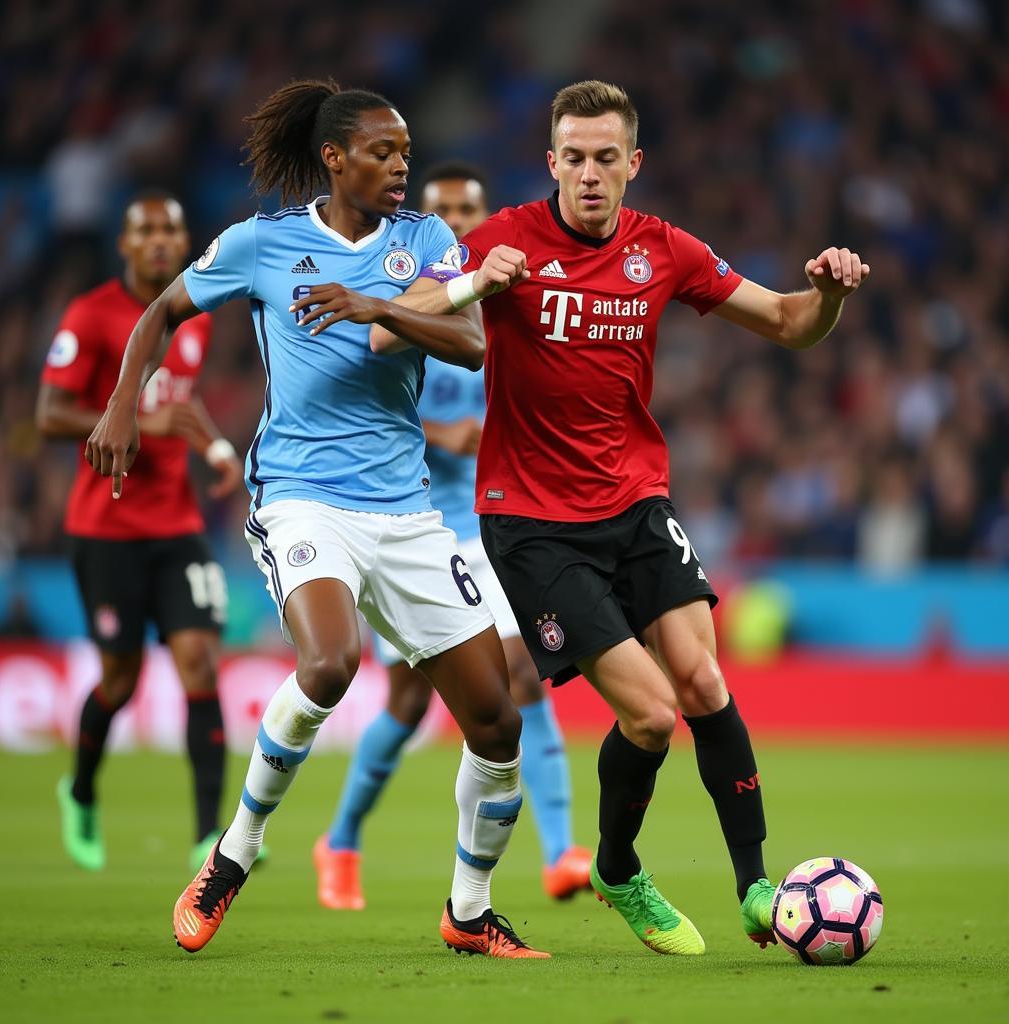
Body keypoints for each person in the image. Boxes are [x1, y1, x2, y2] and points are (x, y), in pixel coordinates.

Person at [373, 80, 870, 956]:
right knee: (651, 717)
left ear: (633, 164)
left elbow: (791, 323)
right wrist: (471, 284)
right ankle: (617, 867)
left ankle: (757, 888)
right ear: (552, 161)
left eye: (608, 158)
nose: (591, 175)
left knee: (707, 688)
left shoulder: (663, 250)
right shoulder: (504, 240)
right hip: (530, 520)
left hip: (635, 502)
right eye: (576, 158)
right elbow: (386, 326)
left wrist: (827, 293)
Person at [85, 80, 548, 959]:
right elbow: (161, 311)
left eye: (406, 152)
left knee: (498, 724)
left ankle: (469, 909)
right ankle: (236, 852)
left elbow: (474, 344)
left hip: (407, 511)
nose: (401, 167)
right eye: (382, 153)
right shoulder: (263, 243)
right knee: (332, 662)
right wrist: (120, 404)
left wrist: (377, 307)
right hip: (300, 494)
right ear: (334, 159)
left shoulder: (425, 242)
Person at [314, 162, 590, 912]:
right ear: (422, 223)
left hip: (500, 525)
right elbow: (366, 404)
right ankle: (339, 839)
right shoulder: (406, 306)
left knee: (526, 676)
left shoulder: (516, 300)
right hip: (417, 524)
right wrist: (443, 430)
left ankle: (563, 849)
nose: (460, 222)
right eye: (444, 210)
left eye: (471, 208)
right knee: (407, 706)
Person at [37, 192, 245, 873]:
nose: (160, 241)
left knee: (199, 663)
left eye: (171, 230)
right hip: (105, 528)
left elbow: (178, 406)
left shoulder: (193, 320)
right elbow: (49, 414)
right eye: (146, 231)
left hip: (176, 523)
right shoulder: (90, 317)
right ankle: (82, 787)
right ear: (124, 245)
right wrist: (141, 424)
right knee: (120, 680)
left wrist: (216, 451)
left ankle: (208, 837)